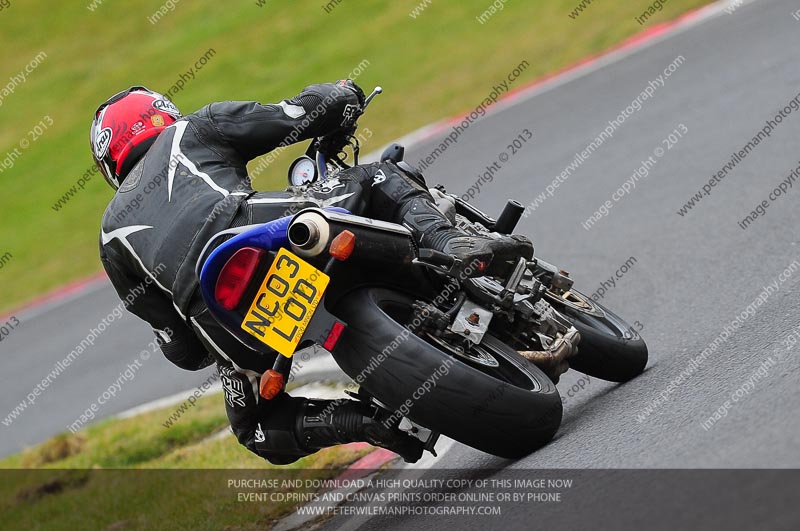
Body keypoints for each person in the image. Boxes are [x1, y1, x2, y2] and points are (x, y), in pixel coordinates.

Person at [93, 81, 532, 464]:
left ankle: (363, 423)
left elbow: (183, 351)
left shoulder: (111, 236)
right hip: (264, 231)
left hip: (225, 321)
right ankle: (452, 244)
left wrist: (215, 349)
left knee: (254, 429)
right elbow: (301, 113)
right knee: (376, 176)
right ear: (161, 113)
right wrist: (345, 95)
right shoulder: (193, 130)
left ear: (109, 160)